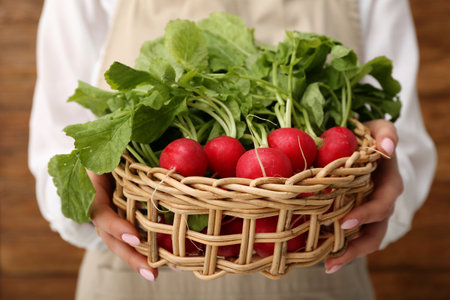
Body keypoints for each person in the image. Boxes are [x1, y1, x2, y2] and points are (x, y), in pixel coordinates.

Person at [28, 0, 437, 299]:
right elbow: (57, 146)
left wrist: (381, 176)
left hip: (317, 270)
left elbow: (409, 148)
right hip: (135, 274)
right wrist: (91, 200)